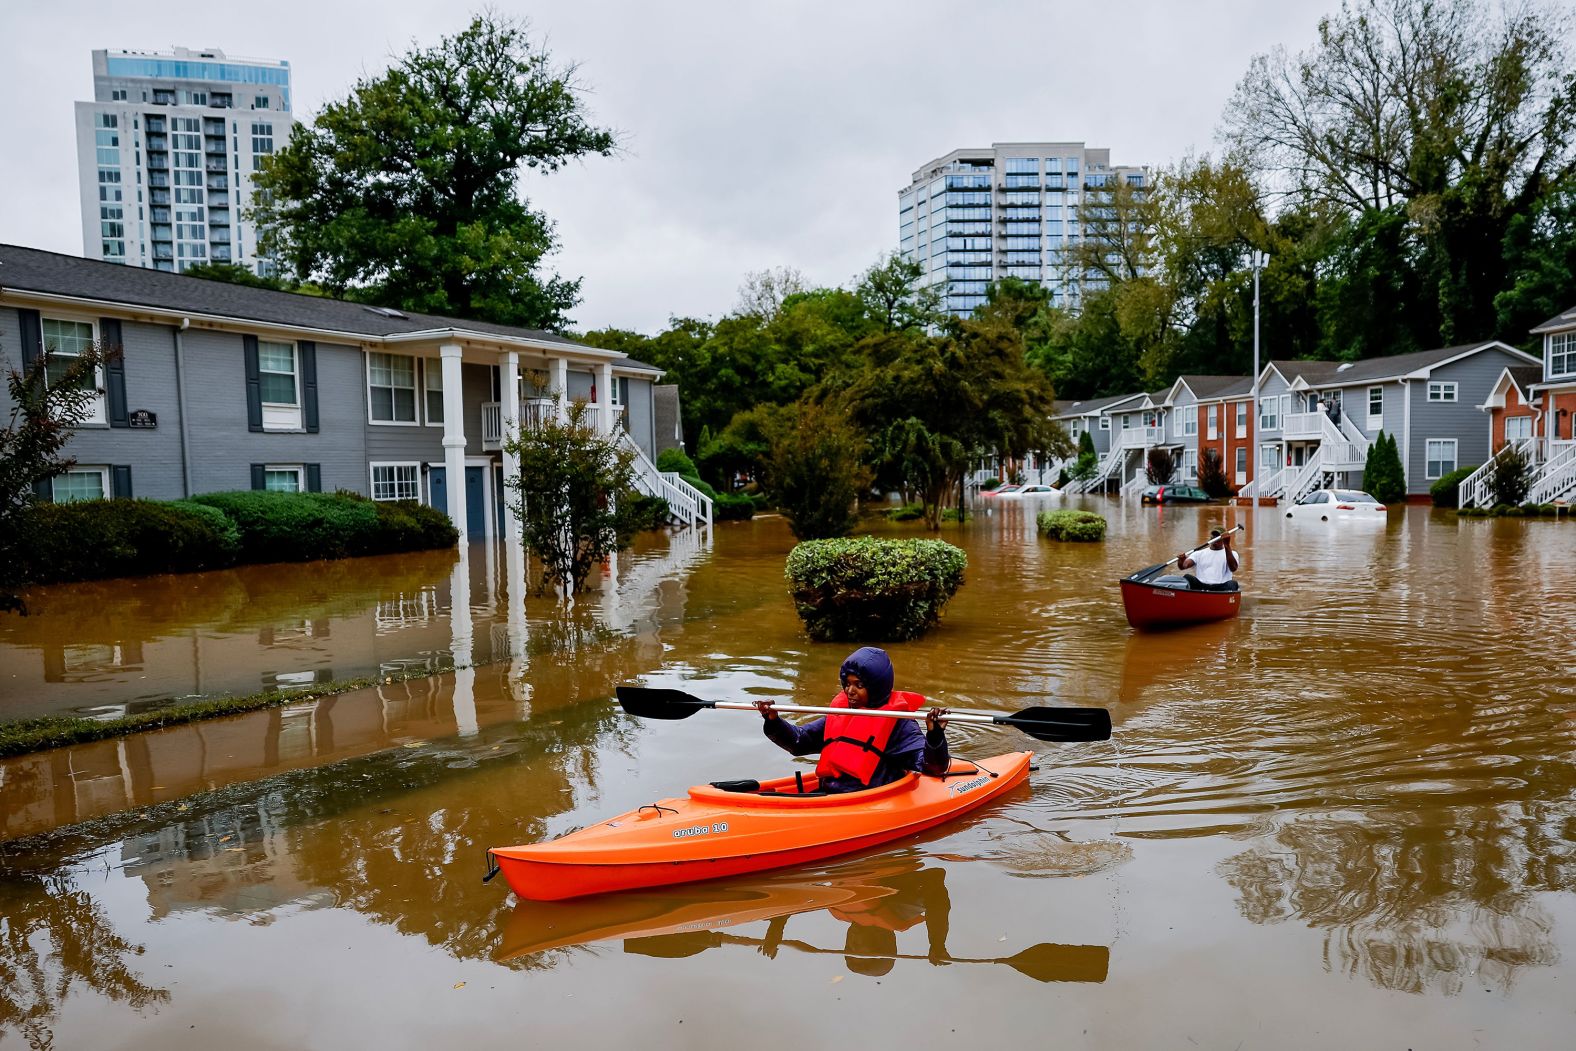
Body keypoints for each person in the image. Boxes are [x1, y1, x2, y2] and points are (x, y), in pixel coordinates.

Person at [756, 646, 949, 793]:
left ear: (876, 687)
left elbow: (932, 768)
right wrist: (773, 721)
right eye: (847, 684)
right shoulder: (842, 714)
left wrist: (935, 736)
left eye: (859, 685)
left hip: (870, 798)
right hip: (830, 793)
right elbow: (799, 742)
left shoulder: (899, 723)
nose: (850, 691)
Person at [1177, 527, 1239, 591]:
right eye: (1213, 537)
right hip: (1201, 587)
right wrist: (1181, 560)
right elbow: (1183, 566)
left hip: (1221, 588)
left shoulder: (1232, 553)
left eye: (1217, 538)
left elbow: (1233, 568)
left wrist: (1227, 545)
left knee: (1233, 584)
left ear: (1223, 540)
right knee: (1187, 577)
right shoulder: (1199, 553)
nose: (1215, 539)